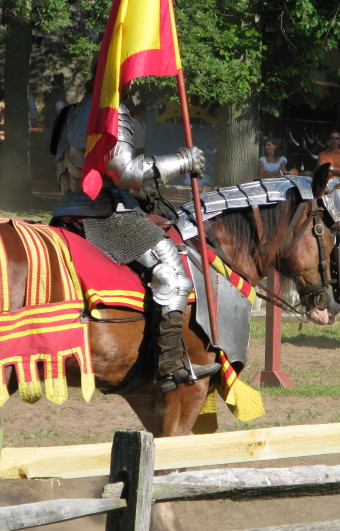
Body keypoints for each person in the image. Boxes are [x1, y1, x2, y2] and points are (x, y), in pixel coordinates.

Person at [51, 80, 221, 393]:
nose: (134, 84)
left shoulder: (72, 113)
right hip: (106, 216)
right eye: (130, 79)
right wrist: (185, 160)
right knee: (173, 274)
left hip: (66, 211)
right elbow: (125, 171)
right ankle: (169, 365)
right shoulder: (111, 111)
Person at [316, 129, 340, 216]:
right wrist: (339, 171)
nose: (334, 140)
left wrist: (330, 168)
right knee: (327, 213)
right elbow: (322, 172)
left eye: (336, 138)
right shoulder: (322, 154)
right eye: (332, 138)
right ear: (328, 140)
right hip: (327, 187)